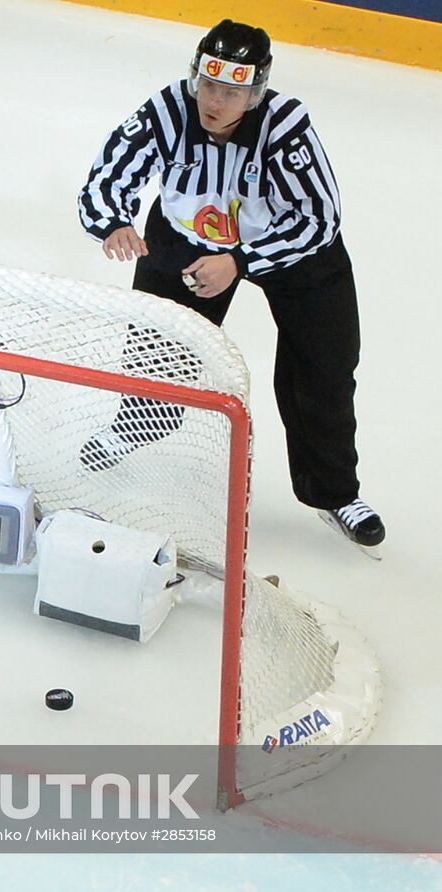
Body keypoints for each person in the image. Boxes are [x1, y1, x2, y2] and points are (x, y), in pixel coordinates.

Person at [76, 19, 384, 550]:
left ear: (255, 94)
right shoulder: (169, 109)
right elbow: (106, 177)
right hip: (186, 236)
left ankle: (335, 492)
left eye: (231, 92)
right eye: (208, 85)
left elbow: (319, 218)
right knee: (156, 348)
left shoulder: (285, 127)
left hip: (290, 250)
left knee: (324, 367)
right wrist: (114, 221)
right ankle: (135, 427)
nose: (213, 101)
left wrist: (239, 260)